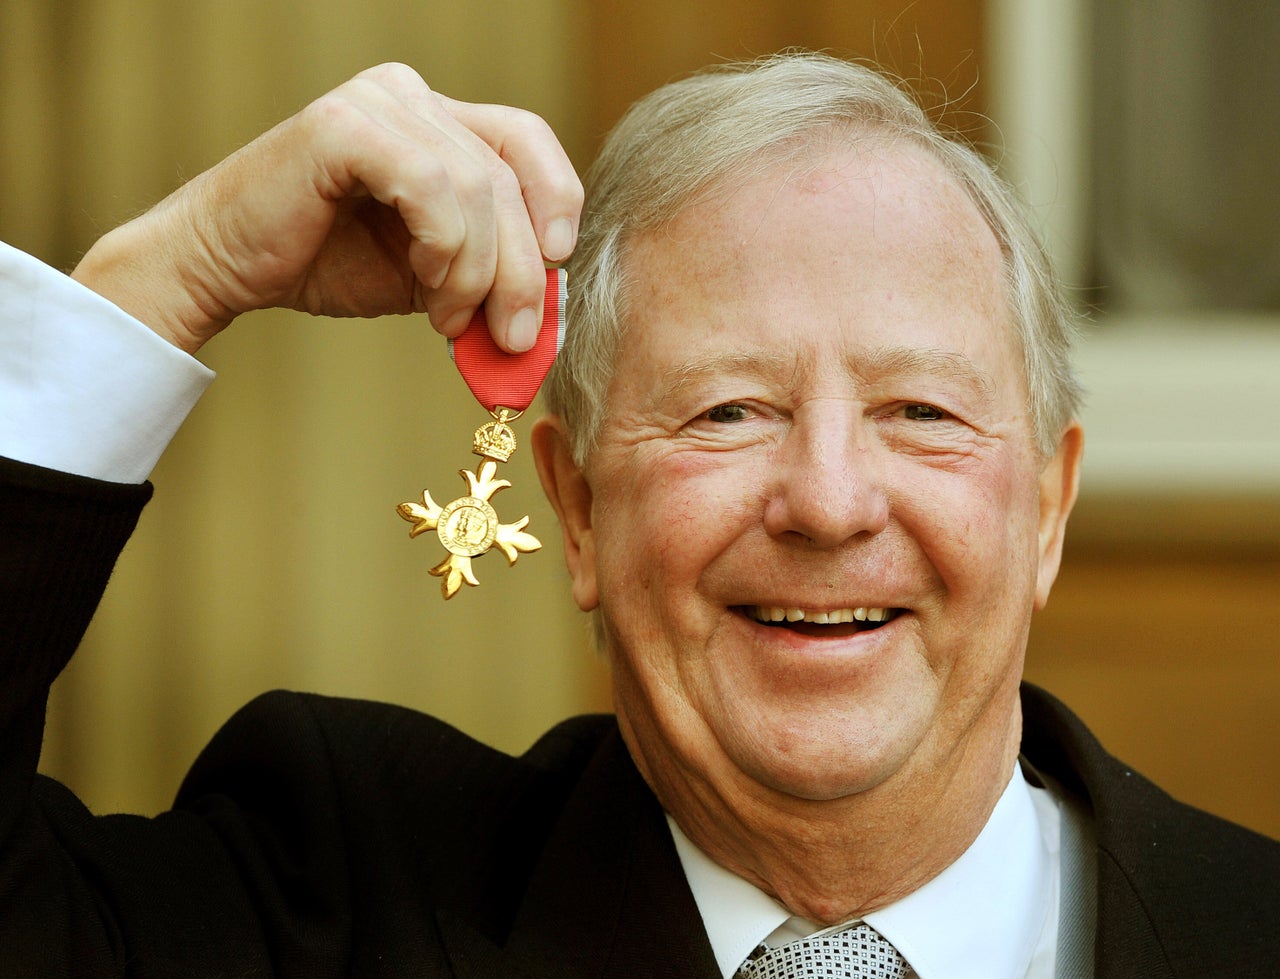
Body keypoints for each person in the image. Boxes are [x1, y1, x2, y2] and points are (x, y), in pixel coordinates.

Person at [1, 53, 1276, 978]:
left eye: (920, 412)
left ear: (1045, 506)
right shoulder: (331, 892)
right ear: (576, 511)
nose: (827, 501)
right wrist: (174, 272)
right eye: (726, 411)